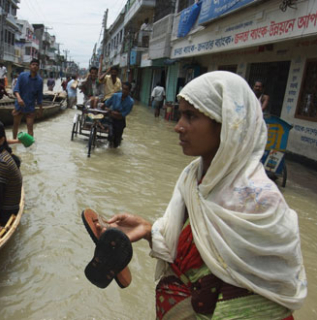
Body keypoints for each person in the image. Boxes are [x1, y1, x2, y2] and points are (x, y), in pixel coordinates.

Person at [97, 71, 307, 319]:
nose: (178, 127)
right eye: (181, 114)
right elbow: (193, 252)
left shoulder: (261, 202)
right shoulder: (193, 177)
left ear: (226, 123)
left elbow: (263, 299)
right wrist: (149, 230)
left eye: (191, 116)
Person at [12, 58, 43, 139]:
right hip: (19, 105)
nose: (35, 66)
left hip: (30, 106)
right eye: (33, 65)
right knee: (16, 124)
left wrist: (40, 109)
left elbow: (39, 97)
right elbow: (16, 89)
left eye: (36, 65)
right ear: (30, 66)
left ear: (38, 67)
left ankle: (30, 147)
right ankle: (14, 141)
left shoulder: (40, 81)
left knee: (30, 127)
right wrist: (19, 98)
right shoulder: (22, 76)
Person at [103, 82, 134, 148]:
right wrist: (106, 109)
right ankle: (109, 148)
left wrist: (111, 111)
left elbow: (122, 115)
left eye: (126, 89)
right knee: (111, 135)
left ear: (129, 91)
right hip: (111, 119)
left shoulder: (130, 102)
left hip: (120, 121)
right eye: (123, 89)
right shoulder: (115, 96)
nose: (124, 91)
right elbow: (106, 104)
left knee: (117, 142)